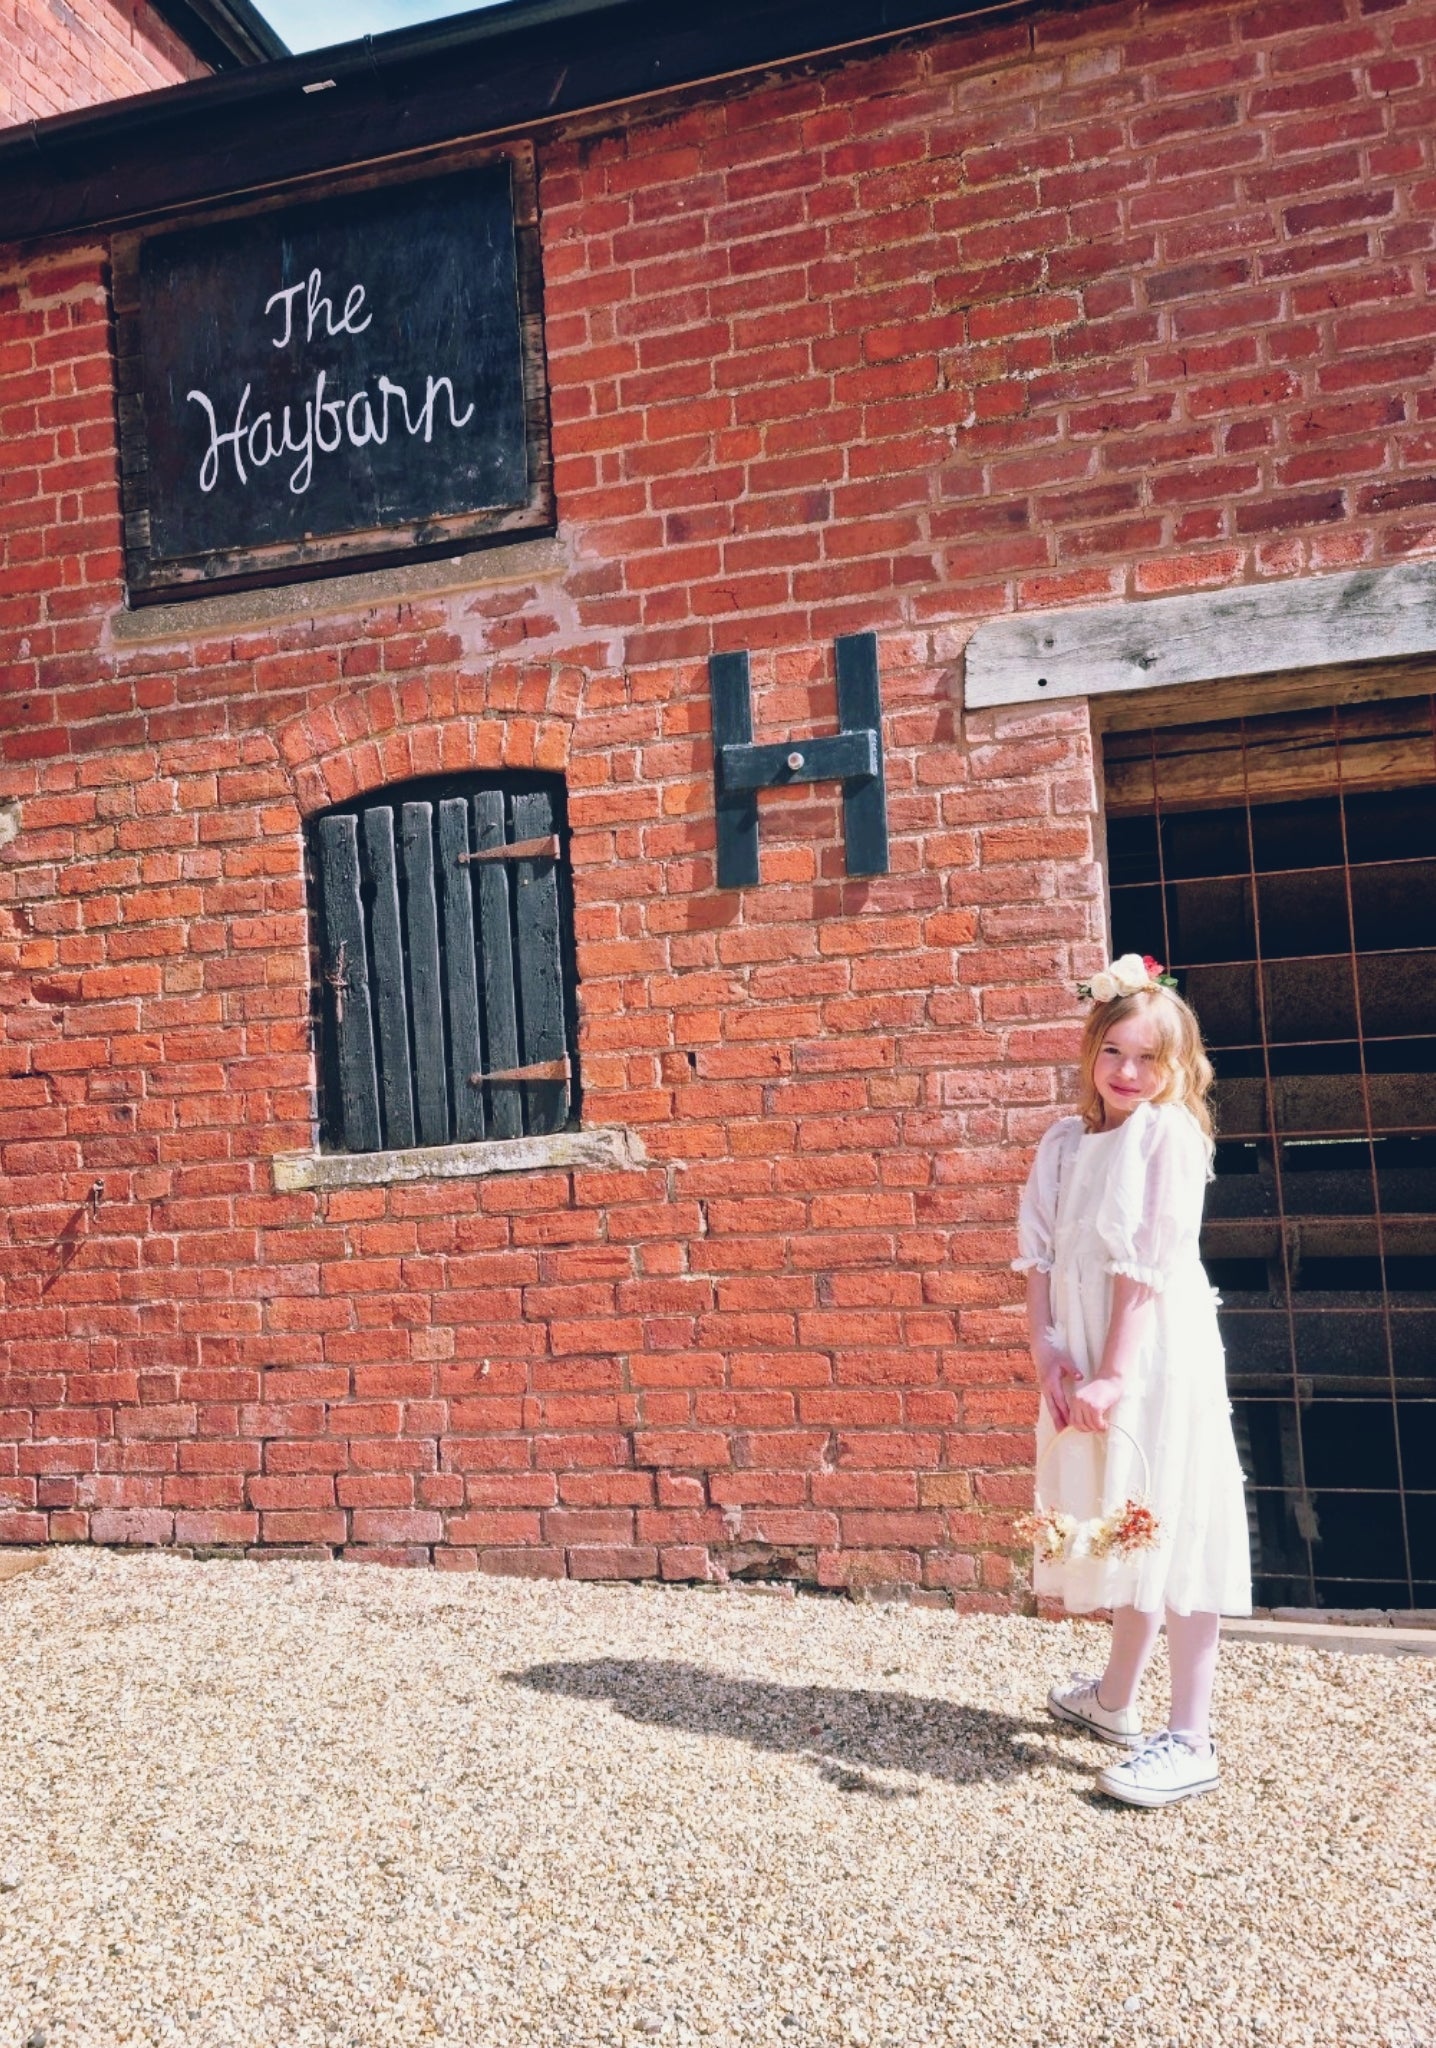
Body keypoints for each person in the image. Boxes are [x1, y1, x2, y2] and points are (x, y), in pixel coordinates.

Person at [1013, 953, 1251, 1808]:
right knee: (1123, 1524)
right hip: (1079, 1356)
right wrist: (1048, 1351)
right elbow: (1037, 1254)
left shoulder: (1168, 1136)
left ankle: (1190, 1733)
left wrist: (1114, 1372)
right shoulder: (1066, 1141)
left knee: (1174, 1517)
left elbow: (1149, 1264)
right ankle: (1115, 1700)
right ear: (1091, 1052)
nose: (1127, 1073)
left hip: (1151, 1358)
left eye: (1149, 1058)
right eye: (1114, 1052)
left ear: (1177, 1066)